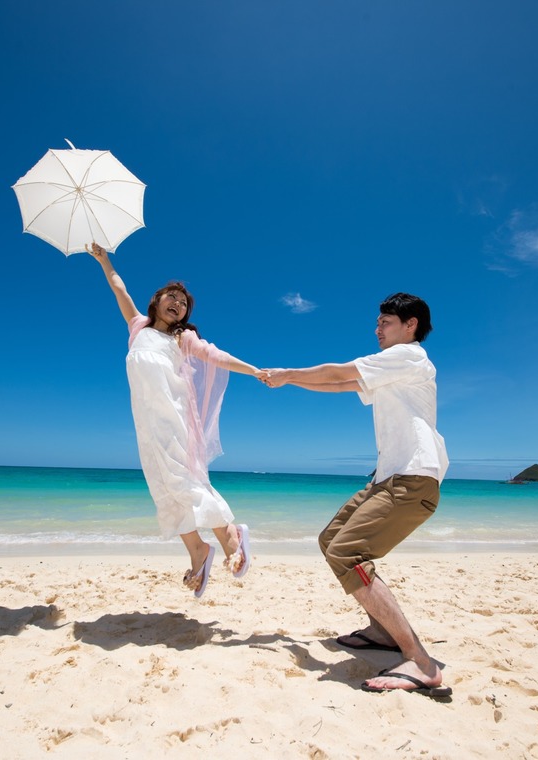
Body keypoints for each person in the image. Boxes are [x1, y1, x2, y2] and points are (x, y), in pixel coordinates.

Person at [262, 293, 451, 699]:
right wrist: (289, 379)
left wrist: (290, 372)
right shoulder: (393, 368)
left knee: (347, 552)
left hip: (413, 477)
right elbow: (347, 383)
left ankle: (420, 661)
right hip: (387, 478)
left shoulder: (412, 356)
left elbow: (338, 371)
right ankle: (382, 632)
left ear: (411, 324)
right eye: (378, 322)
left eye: (385, 321)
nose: (377, 329)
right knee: (330, 540)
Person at [86, 242, 256, 597]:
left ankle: (230, 535)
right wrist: (104, 260)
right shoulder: (137, 328)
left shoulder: (183, 339)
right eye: (172, 297)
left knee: (184, 480)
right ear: (157, 300)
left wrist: (254, 371)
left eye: (183, 303)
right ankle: (198, 550)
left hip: (176, 421)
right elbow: (119, 287)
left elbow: (217, 357)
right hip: (147, 426)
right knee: (163, 488)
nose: (177, 303)